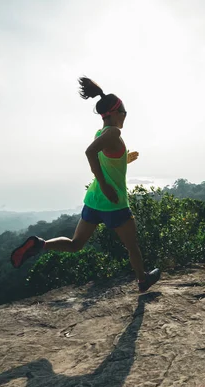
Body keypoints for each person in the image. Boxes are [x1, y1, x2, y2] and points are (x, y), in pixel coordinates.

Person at [10, 77, 160, 293]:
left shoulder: (102, 132)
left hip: (93, 201)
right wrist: (106, 186)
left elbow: (104, 159)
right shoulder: (113, 132)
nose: (126, 117)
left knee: (75, 244)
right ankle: (142, 279)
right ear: (117, 112)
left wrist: (124, 159)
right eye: (125, 112)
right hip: (113, 202)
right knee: (132, 246)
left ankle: (41, 244)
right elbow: (90, 152)